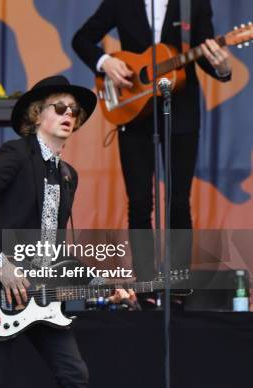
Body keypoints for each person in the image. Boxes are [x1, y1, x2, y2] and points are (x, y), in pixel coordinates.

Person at [72, 0, 232, 305]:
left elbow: (204, 52)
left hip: (181, 111)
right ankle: (144, 286)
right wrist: (105, 61)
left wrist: (222, 68)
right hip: (132, 110)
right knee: (140, 201)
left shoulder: (193, 4)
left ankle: (178, 286)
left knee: (178, 200)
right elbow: (81, 38)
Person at [0, 75, 105, 387]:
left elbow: (53, 244)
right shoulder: (17, 154)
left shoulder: (68, 176)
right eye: (60, 107)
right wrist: (0, 264)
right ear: (37, 114)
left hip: (44, 295)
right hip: (3, 290)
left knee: (74, 376)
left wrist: (101, 283)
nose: (68, 115)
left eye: (74, 111)